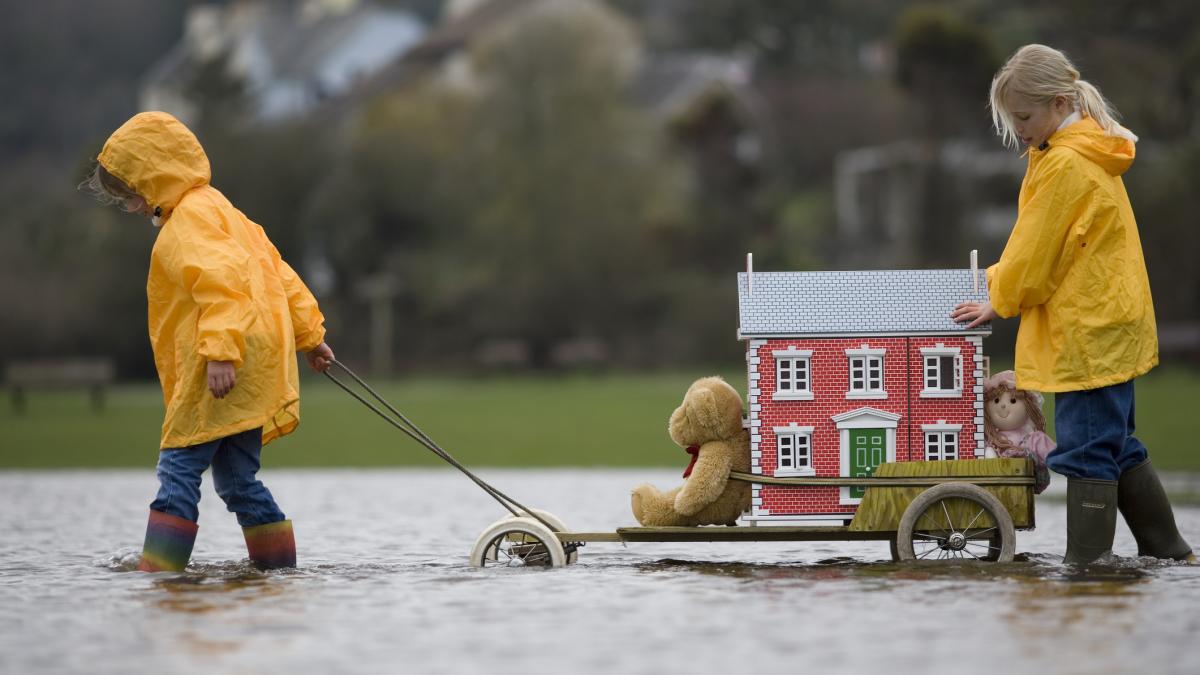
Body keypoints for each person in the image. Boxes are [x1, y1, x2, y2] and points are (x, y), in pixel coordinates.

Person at [952, 44, 1194, 565]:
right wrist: (997, 280)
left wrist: (997, 296)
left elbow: (1035, 251)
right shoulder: (1084, 151)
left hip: (1087, 330)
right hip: (1111, 324)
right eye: (1010, 119)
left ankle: (1087, 568)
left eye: (1023, 116)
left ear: (1060, 104)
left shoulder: (1064, 161)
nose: (1017, 129)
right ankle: (1171, 554)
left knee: (1085, 452)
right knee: (1115, 444)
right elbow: (1040, 247)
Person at [81, 111, 335, 572]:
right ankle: (277, 571)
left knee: (179, 464)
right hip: (256, 363)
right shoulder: (221, 208)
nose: (133, 206)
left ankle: (161, 572)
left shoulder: (189, 222)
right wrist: (309, 336)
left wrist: (220, 353)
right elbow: (275, 272)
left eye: (130, 194)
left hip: (221, 363)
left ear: (152, 176)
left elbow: (220, 282)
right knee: (239, 480)